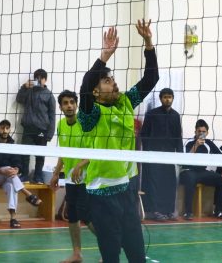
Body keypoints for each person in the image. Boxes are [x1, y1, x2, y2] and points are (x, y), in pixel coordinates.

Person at [77, 20, 159, 263]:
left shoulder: (125, 102)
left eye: (112, 79)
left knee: (137, 254)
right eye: (106, 81)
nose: (113, 83)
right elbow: (84, 88)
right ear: (96, 92)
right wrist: (104, 57)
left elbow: (151, 78)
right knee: (111, 255)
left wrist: (148, 43)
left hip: (127, 189)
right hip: (102, 194)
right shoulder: (91, 114)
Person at [50, 90, 96, 263]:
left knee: (87, 215)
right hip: (71, 178)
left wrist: (80, 165)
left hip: (88, 177)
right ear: (60, 107)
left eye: (72, 102)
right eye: (65, 103)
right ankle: (77, 254)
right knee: (73, 215)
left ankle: (109, 249)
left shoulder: (85, 124)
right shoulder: (61, 125)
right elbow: (63, 152)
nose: (69, 106)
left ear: (76, 105)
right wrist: (56, 173)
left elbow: (96, 151)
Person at [0, 120, 42, 229]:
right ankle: (27, 194)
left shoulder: (12, 145)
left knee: (12, 186)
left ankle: (13, 218)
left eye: (7, 128)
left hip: (8, 178)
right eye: (2, 128)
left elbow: (18, 161)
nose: (5, 131)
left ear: (9, 130)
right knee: (8, 169)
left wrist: (17, 169)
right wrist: (0, 170)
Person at [140, 87, 183, 221]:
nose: (167, 99)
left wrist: (180, 156)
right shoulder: (152, 114)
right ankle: (156, 211)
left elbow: (178, 137)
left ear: (172, 99)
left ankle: (169, 211)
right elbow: (144, 134)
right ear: (160, 99)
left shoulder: (176, 116)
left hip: (169, 156)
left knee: (169, 183)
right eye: (165, 97)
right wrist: (148, 152)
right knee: (155, 184)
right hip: (154, 155)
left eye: (169, 97)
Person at [180, 119, 222, 220]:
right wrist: (196, 145)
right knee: (190, 179)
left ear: (207, 133)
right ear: (195, 132)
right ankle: (188, 212)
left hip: (202, 172)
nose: (201, 133)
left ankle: (219, 211)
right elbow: (184, 160)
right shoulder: (189, 142)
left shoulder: (208, 143)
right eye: (199, 131)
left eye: (204, 132)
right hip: (188, 171)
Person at [16, 68, 57, 184]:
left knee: (40, 155)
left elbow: (52, 116)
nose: (38, 80)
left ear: (45, 80)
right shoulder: (29, 91)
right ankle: (24, 175)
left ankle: (38, 177)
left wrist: (50, 134)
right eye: (36, 78)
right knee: (25, 153)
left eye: (41, 78)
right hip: (28, 128)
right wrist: (24, 87)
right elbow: (19, 99)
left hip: (42, 130)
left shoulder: (49, 95)